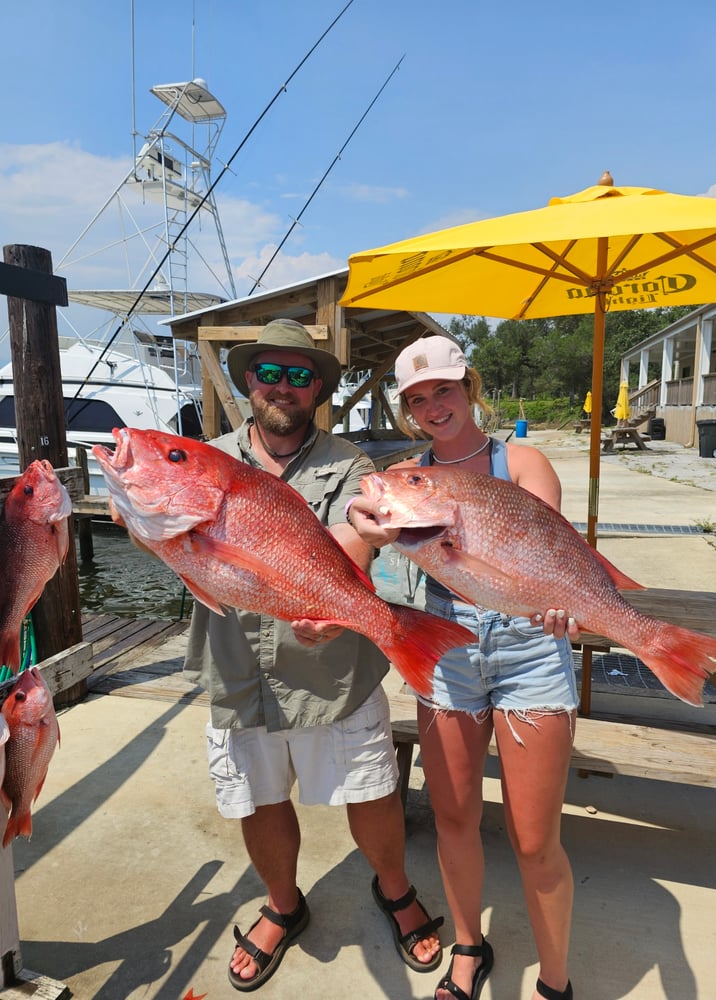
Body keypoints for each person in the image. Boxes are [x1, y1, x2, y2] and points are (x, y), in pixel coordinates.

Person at [183, 319, 443, 992]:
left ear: (321, 390)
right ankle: (284, 904)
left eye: (301, 376)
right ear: (248, 381)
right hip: (237, 667)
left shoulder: (351, 463)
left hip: (334, 669)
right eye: (270, 372)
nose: (283, 387)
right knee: (258, 798)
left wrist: (339, 603)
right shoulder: (200, 461)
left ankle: (393, 888)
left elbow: (356, 534)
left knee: (372, 790)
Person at [347, 335, 579, 1000]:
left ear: (469, 387)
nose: (432, 405)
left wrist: (556, 601)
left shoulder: (524, 461)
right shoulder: (403, 481)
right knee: (453, 816)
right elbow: (363, 540)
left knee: (534, 840)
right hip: (447, 647)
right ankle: (468, 948)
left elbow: (547, 550)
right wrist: (367, 537)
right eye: (417, 398)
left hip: (529, 645)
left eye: (443, 389)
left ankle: (555, 981)